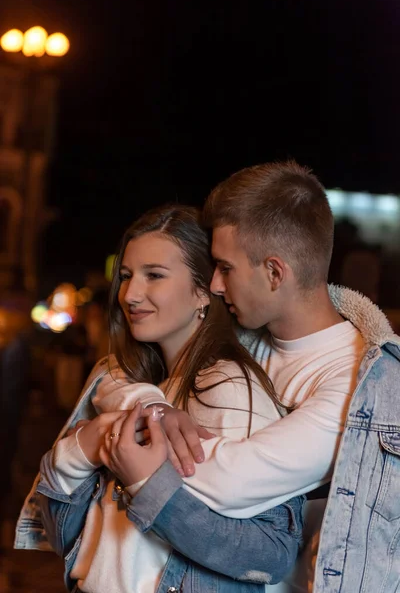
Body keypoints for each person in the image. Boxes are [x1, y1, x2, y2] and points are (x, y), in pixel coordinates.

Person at [107, 161, 400, 593]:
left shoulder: (360, 388)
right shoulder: (241, 336)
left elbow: (226, 481)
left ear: (275, 273)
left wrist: (136, 436)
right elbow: (114, 372)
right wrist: (152, 404)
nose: (216, 285)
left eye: (225, 268)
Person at [16, 205, 305, 593]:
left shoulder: (229, 388)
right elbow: (65, 536)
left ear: (204, 291)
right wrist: (78, 451)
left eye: (154, 275)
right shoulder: (131, 383)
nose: (130, 294)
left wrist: (147, 485)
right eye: (126, 276)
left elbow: (269, 554)